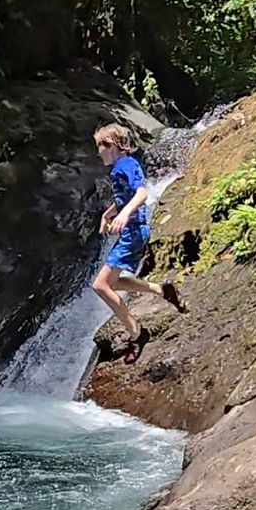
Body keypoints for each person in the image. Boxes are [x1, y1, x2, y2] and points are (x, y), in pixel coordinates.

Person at [90, 122, 187, 363]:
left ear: (112, 145)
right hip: (132, 232)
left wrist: (124, 215)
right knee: (112, 283)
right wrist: (109, 214)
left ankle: (137, 333)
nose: (98, 153)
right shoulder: (120, 167)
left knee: (100, 286)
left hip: (133, 232)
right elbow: (125, 198)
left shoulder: (125, 164)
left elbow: (142, 193)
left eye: (100, 146)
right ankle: (160, 290)